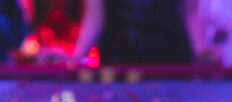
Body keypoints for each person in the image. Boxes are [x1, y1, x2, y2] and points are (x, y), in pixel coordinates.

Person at [39, 0, 221, 64]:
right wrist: (77, 56)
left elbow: (189, 13)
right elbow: (95, 17)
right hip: (119, 65)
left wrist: (201, 52)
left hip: (171, 64)